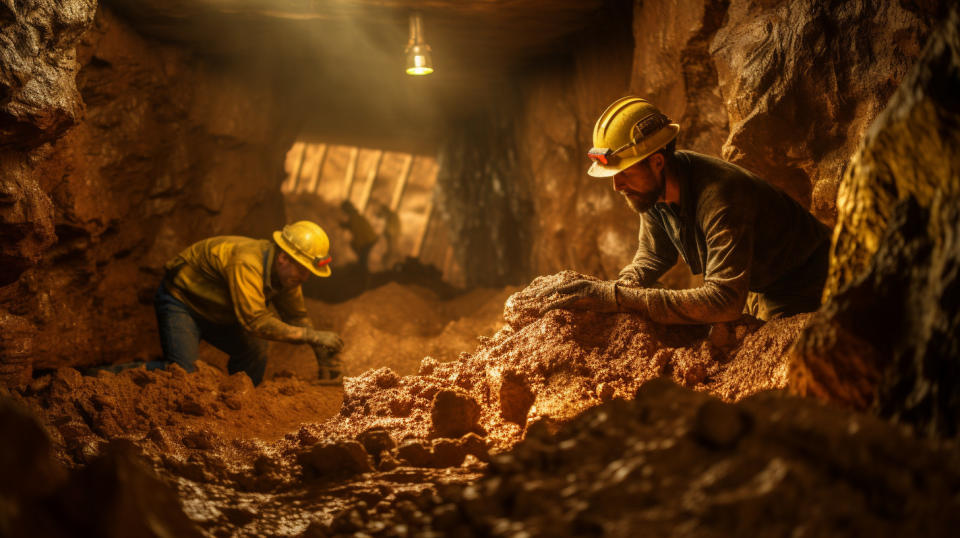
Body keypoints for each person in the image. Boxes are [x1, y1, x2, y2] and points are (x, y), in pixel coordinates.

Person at [541, 96, 832, 323]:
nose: (617, 185)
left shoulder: (722, 195)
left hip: (811, 284)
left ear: (656, 162)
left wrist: (616, 297)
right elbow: (655, 254)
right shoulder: (654, 190)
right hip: (759, 285)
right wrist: (625, 285)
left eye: (625, 173)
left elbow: (723, 301)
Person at [101, 221, 344, 384]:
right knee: (181, 372)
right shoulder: (247, 260)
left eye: (308, 273)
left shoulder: (286, 276)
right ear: (283, 258)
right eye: (303, 270)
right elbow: (255, 322)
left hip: (220, 313)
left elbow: (297, 317)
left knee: (256, 351)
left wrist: (320, 353)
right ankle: (103, 377)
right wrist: (313, 336)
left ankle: (239, 399)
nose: (304, 278)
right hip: (183, 303)